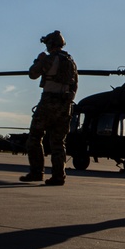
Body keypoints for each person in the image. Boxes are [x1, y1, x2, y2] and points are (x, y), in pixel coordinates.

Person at [21, 30, 78, 186]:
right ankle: (59, 176)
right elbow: (75, 85)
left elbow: (33, 74)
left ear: (51, 44)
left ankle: (36, 172)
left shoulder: (49, 59)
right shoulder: (71, 61)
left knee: (34, 137)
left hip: (49, 102)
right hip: (65, 104)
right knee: (58, 142)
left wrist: (38, 60)